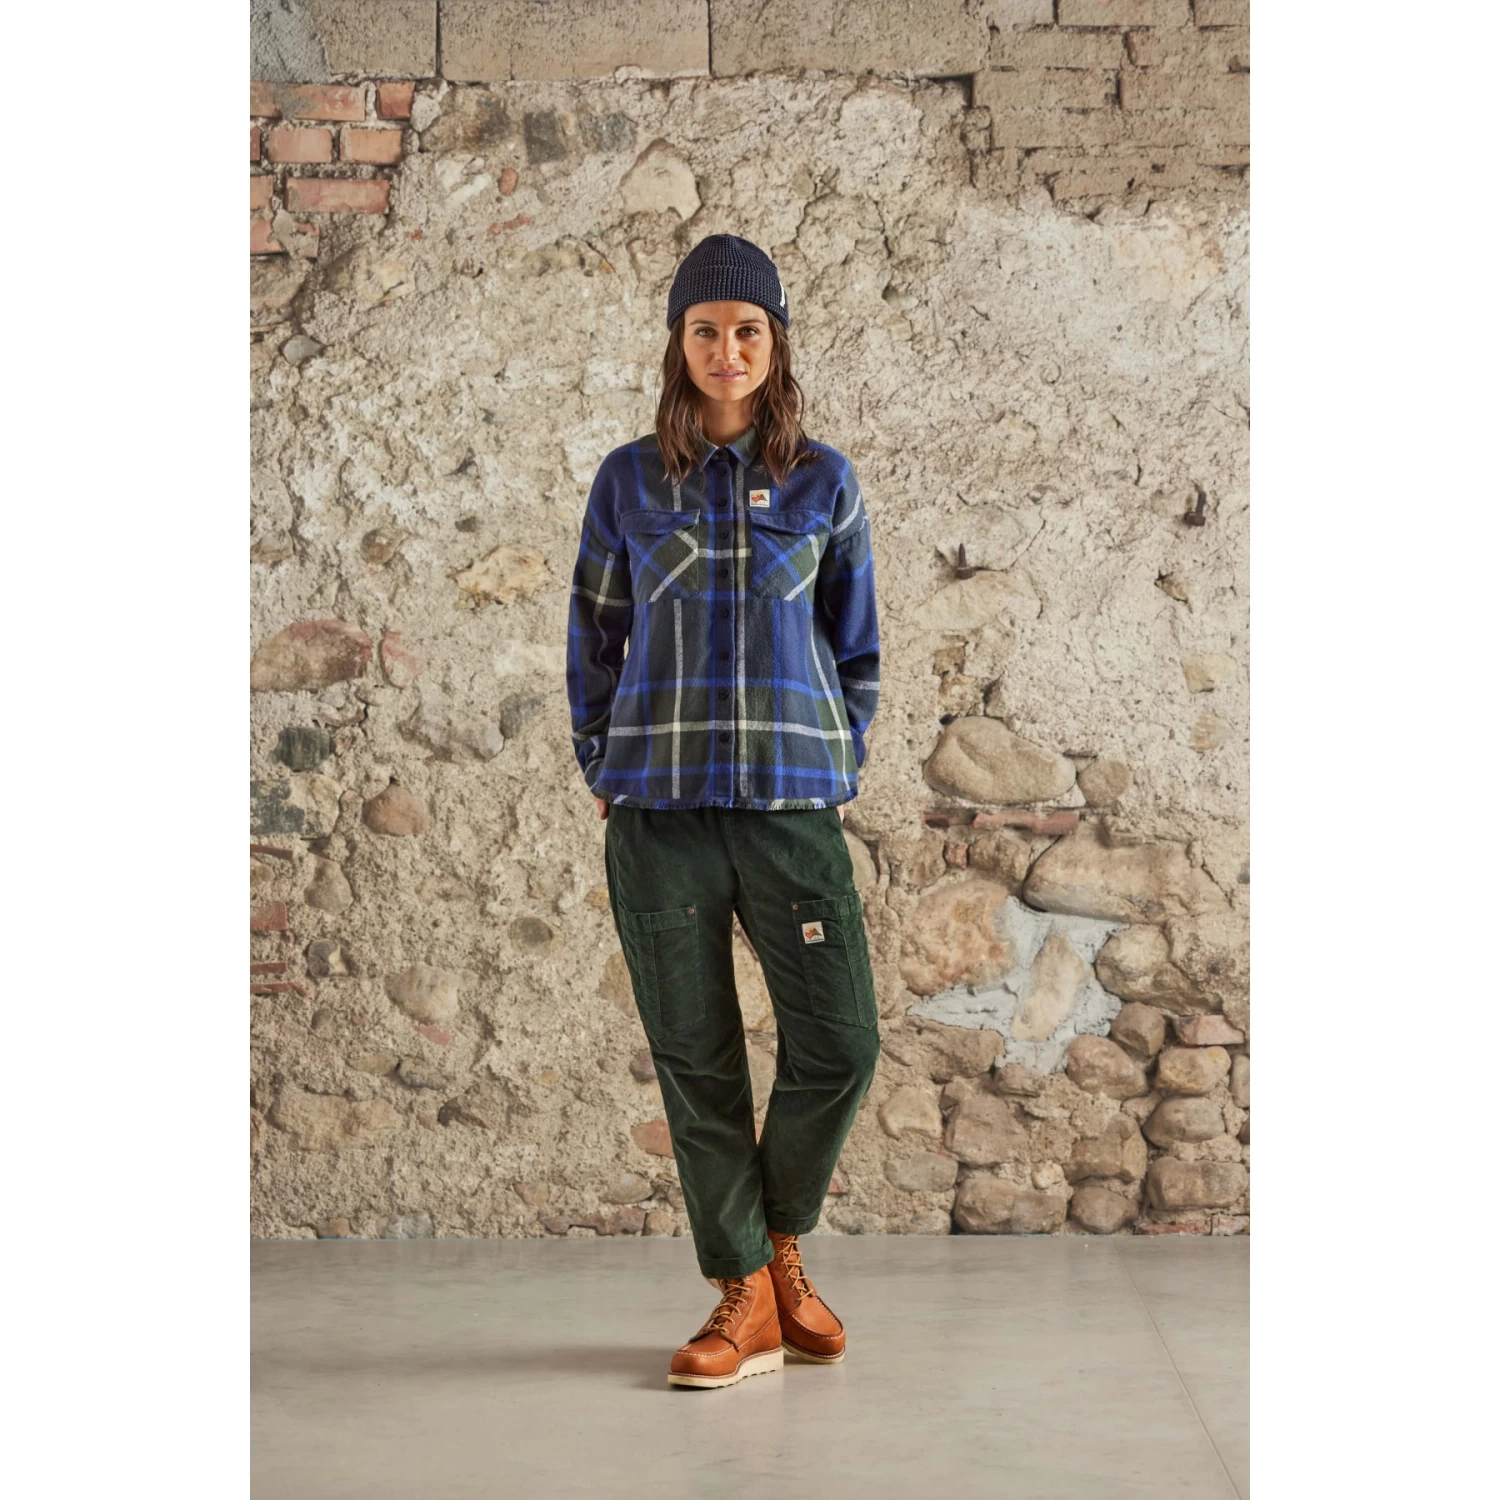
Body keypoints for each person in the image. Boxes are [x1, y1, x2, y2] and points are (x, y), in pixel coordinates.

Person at [565, 233, 882, 1390]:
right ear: (679, 343)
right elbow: (594, 635)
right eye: (706, 330)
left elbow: (857, 646)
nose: (727, 349)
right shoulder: (627, 482)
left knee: (841, 1042)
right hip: (659, 814)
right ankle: (745, 1294)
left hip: (790, 807)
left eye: (747, 330)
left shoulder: (824, 482)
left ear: (774, 343)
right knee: (695, 1060)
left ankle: (777, 1245)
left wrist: (837, 753)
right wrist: (604, 760)